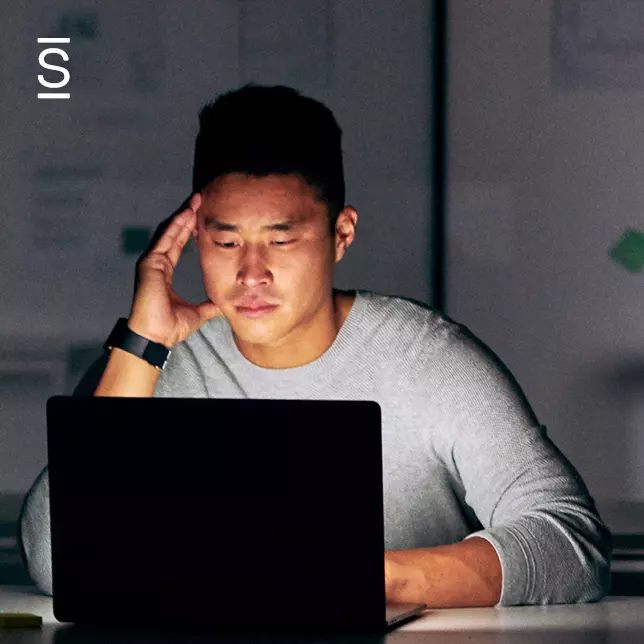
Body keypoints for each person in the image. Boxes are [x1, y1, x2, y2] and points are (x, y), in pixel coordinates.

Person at [19, 84, 611, 607]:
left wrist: (371, 580)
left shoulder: (427, 359)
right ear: (193, 238)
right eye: (226, 244)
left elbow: (569, 538)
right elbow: (56, 559)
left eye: (282, 241)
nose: (251, 274)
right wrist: (141, 343)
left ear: (340, 235)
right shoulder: (147, 362)